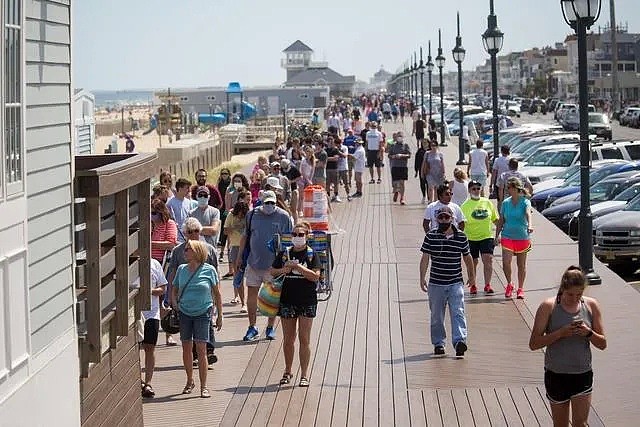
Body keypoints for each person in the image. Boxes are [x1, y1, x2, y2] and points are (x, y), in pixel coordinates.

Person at [529, 266, 606, 427]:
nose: (574, 299)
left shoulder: (591, 306)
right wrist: (560, 333)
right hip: (556, 374)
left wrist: (588, 332)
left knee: (580, 423)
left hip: (582, 373)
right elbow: (534, 343)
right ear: (563, 289)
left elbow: (602, 343)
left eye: (579, 294)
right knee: (560, 424)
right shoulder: (548, 307)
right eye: (570, 294)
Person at [419, 205, 476, 358]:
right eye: (440, 217)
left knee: (458, 312)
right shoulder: (431, 236)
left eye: (446, 217)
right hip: (436, 282)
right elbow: (425, 257)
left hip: (455, 282)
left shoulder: (461, 236)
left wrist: (472, 275)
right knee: (437, 315)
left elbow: (467, 257)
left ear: (452, 219)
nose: (443, 220)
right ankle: (439, 343)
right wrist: (422, 277)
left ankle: (459, 342)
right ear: (437, 219)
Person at [235, 191, 293, 341]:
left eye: (272, 203)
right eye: (267, 202)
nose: (269, 206)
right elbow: (245, 236)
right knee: (252, 295)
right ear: (261, 201)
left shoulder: (283, 216)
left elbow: (289, 240)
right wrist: (240, 257)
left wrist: (286, 262)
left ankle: (270, 327)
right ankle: (252, 327)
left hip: (273, 266)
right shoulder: (252, 215)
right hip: (254, 262)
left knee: (272, 298)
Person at [270, 222, 321, 387]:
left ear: (306, 237)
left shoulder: (312, 255)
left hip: (307, 300)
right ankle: (288, 370)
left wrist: (297, 266)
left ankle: (304, 374)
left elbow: (315, 276)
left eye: (301, 235)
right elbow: (272, 271)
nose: (297, 237)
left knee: (304, 338)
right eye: (294, 234)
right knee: (288, 339)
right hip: (287, 299)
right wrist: (283, 270)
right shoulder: (284, 254)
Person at [171, 240, 222, 399]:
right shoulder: (181, 269)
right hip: (185, 312)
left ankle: (204, 386)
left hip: (203, 312)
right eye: (185, 249)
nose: (184, 252)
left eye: (188, 249)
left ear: (197, 252)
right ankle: (189, 380)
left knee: (201, 349)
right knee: (186, 347)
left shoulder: (209, 270)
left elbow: (217, 294)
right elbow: (174, 289)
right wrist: (174, 303)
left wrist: (220, 315)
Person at [166, 218, 220, 364]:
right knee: (190, 330)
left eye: (196, 230)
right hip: (185, 298)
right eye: (190, 231)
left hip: (205, 295)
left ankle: (208, 352)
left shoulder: (209, 249)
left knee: (207, 323)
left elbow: (216, 272)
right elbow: (172, 274)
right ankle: (196, 355)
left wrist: (216, 297)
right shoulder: (179, 251)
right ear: (185, 233)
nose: (193, 234)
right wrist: (171, 297)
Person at [495, 177, 533, 299]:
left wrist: (530, 225)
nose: (507, 190)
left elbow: (528, 213)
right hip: (507, 236)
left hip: (522, 236)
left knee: (521, 264)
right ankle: (510, 284)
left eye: (509, 188)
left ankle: (520, 288)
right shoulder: (506, 203)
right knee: (506, 262)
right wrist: (496, 235)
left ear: (516, 188)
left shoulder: (525, 202)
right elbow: (501, 220)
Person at [461, 181, 499, 295]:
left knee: (488, 260)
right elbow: (461, 224)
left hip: (486, 236)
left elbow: (495, 220)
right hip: (471, 238)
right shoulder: (464, 206)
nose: (476, 191)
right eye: (473, 189)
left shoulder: (487, 202)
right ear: (469, 190)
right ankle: (473, 285)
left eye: (478, 188)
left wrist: (500, 234)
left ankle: (487, 285)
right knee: (473, 262)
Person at [138, 258, 168, 398]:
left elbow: (163, 288)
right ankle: (138, 382)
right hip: (135, 314)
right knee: (135, 350)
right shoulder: (126, 262)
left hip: (152, 313)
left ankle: (148, 383)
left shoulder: (154, 263)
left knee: (150, 348)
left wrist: (150, 291)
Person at [224, 199, 249, 311]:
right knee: (238, 276)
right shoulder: (230, 215)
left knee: (251, 276)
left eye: (242, 215)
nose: (240, 217)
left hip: (248, 248)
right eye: (238, 214)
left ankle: (252, 300)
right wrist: (235, 227)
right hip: (235, 246)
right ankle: (243, 302)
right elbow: (225, 231)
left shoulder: (249, 216)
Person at [151, 198, 177, 264]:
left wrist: (150, 244)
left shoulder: (169, 223)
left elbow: (171, 244)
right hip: (147, 260)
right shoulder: (148, 225)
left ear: (161, 212)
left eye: (153, 213)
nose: (151, 215)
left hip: (161, 262)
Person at [388, 131, 411, 205]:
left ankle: (402, 198)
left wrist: (402, 155)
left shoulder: (405, 145)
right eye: (398, 136)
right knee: (395, 182)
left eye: (401, 137)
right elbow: (389, 155)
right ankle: (396, 191)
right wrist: (394, 156)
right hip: (395, 165)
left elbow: (409, 155)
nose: (399, 138)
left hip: (403, 166)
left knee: (402, 182)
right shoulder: (393, 146)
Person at [167, 178, 193, 243]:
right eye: (187, 188)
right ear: (180, 188)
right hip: (176, 238)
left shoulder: (188, 202)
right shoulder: (170, 203)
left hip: (186, 238)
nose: (188, 190)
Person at [414, 139, 429, 204]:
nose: (424, 144)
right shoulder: (420, 151)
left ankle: (429, 197)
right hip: (421, 169)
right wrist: (416, 170)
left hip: (429, 170)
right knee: (422, 183)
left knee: (429, 184)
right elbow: (416, 161)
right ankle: (423, 196)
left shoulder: (430, 150)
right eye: (423, 143)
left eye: (426, 143)